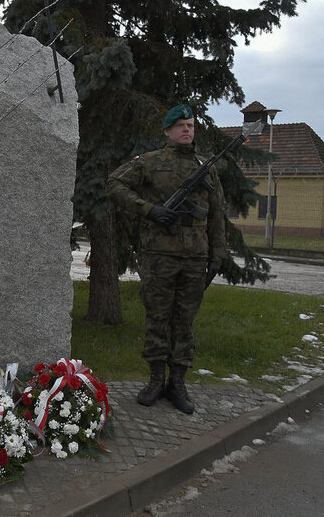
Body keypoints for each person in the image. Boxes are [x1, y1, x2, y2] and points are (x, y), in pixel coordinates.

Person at [105, 104, 228, 414]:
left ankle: (178, 383)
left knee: (185, 321)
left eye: (190, 125)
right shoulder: (149, 162)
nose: (187, 130)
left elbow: (216, 215)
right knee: (158, 317)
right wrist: (149, 209)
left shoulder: (206, 166)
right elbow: (114, 184)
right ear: (167, 131)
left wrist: (217, 255)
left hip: (195, 256)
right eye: (181, 125)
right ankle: (156, 380)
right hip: (159, 255)